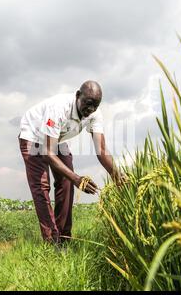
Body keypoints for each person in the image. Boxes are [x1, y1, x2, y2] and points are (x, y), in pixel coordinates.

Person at [18, 80, 126, 244]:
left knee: (66, 182)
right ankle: (51, 241)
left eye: (95, 106)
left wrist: (118, 177)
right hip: (33, 136)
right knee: (41, 186)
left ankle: (64, 237)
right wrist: (76, 178)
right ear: (77, 96)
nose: (90, 110)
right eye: (87, 104)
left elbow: (101, 150)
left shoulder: (94, 114)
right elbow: (47, 152)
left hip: (57, 139)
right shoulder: (59, 109)